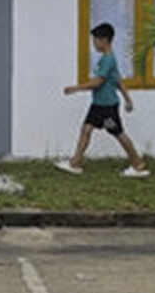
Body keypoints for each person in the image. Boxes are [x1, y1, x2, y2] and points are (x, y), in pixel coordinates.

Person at [56, 22, 149, 177]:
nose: (94, 43)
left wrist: (76, 88)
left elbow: (98, 82)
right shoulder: (107, 59)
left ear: (104, 40)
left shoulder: (108, 60)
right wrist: (128, 99)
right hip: (98, 105)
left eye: (95, 40)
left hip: (107, 108)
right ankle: (75, 163)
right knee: (86, 129)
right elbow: (118, 80)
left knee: (118, 132)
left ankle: (138, 164)